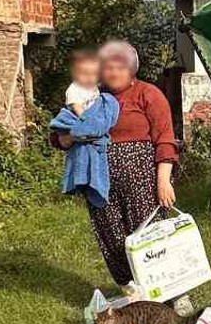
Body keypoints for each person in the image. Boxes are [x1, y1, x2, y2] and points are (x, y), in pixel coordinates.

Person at [57, 41, 178, 292]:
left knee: (149, 233)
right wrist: (69, 137)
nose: (113, 73)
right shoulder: (89, 95)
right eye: (108, 68)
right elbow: (61, 131)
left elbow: (165, 139)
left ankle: (171, 290)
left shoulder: (149, 94)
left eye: (120, 68)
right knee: (111, 234)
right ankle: (131, 289)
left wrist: (163, 181)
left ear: (131, 68)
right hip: (99, 179)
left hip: (142, 180)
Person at [49, 50, 119, 209]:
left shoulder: (97, 90)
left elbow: (100, 106)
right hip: (78, 118)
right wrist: (86, 122)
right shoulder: (75, 88)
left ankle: (94, 183)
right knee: (82, 150)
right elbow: (76, 106)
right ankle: (84, 179)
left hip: (92, 124)